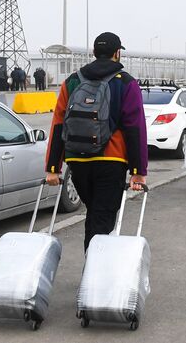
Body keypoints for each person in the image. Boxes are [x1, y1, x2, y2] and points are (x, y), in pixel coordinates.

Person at [45, 32, 148, 251]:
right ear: (117, 53)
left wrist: (53, 168)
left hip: (77, 162)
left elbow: (58, 125)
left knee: (94, 214)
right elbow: (135, 128)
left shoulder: (72, 81)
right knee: (102, 219)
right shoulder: (126, 83)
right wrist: (138, 171)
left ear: (93, 53)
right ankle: (93, 277)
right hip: (111, 160)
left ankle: (92, 271)